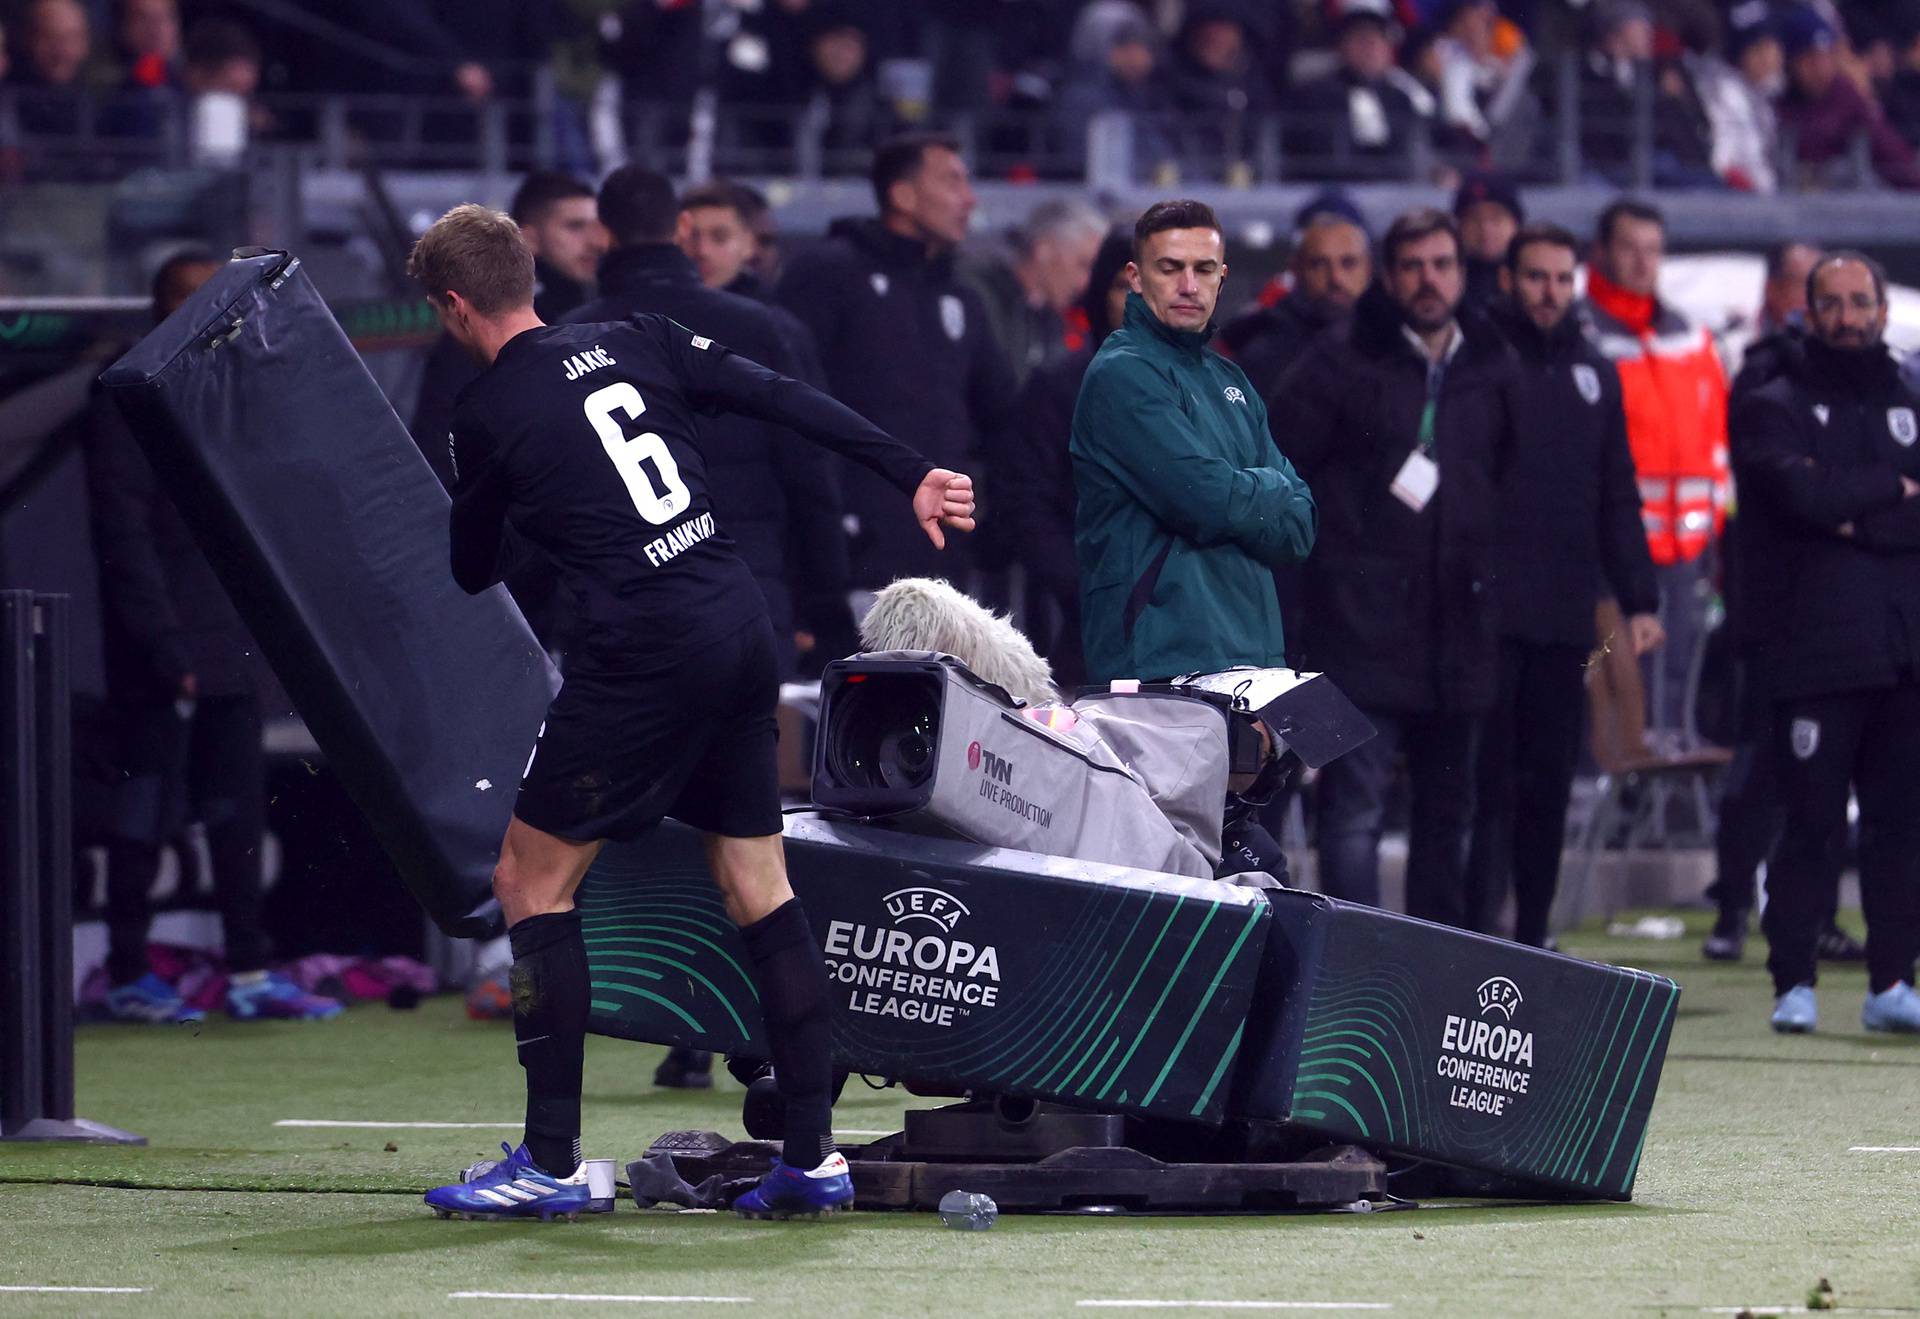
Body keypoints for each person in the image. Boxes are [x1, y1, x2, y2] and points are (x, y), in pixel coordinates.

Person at [406, 203, 975, 1219]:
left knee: (529, 882)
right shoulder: (638, 338)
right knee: (756, 880)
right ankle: (812, 1158)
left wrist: (504, 492)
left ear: (453, 305)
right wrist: (909, 472)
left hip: (645, 648)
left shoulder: (486, 410)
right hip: (735, 615)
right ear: (530, 271)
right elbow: (781, 395)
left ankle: (547, 1160)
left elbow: (470, 567)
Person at [84, 249, 344, 1025]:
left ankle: (250, 972)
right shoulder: (123, 402)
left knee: (239, 816)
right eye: (202, 303)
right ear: (168, 308)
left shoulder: (222, 395)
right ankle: (126, 969)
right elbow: (123, 539)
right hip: (159, 659)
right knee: (146, 817)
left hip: (227, 645)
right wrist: (165, 647)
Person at [1278, 207, 1516, 927]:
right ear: (1388, 274)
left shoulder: (1492, 361)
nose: (1428, 280)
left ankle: (1433, 974)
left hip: (1462, 631)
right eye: (1412, 266)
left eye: (1442, 264)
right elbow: (1279, 468)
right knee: (1353, 810)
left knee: (1450, 816)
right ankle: (1352, 966)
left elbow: (1515, 481)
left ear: (1462, 270)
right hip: (1357, 628)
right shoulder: (1340, 358)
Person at [1731, 251, 1920, 1035]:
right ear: (1807, 313)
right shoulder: (1771, 398)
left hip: (1904, 650)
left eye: (1859, 302)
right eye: (1831, 303)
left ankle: (1891, 983)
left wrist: (1845, 509)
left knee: (1900, 822)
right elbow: (1796, 496)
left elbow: (1823, 498)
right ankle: (1793, 980)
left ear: (1882, 309)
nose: (1847, 316)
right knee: (1809, 821)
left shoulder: (1914, 393)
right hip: (1811, 650)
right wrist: (1892, 490)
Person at [1465, 223, 1661, 947]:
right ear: (1509, 280)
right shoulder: (1479, 359)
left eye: (1561, 278)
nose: (1549, 292)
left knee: (1547, 786)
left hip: (1564, 614)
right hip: (1487, 614)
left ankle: (1535, 933)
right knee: (1488, 789)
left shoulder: (1594, 370)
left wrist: (1639, 598)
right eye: (1536, 277)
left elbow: (1618, 490)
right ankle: (1473, 932)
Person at [1070, 198, 1316, 685]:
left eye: (1203, 270)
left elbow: (1301, 525)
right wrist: (1269, 486)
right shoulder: (1122, 374)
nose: (1188, 285)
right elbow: (1203, 500)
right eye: (1170, 268)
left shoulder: (1233, 382)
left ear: (1221, 279)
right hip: (1160, 664)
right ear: (1136, 278)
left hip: (1251, 660)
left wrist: (1239, 490)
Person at [1706, 240, 1863, 964]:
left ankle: (1816, 915)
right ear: (1780, 294)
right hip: (1772, 607)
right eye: (1812, 292)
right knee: (1762, 764)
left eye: (1838, 297)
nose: (1825, 310)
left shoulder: (1869, 380)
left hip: (1839, 607)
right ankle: (1733, 903)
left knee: (1830, 771)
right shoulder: (1764, 375)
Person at [775, 132, 1014, 591]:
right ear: (902, 195)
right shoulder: (827, 275)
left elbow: (1000, 418)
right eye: (952, 182)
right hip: (847, 554)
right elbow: (787, 401)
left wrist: (995, 521)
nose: (968, 199)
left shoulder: (961, 296)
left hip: (943, 554)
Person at [1580, 198, 1729, 737]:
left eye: (1653, 250)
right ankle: (1602, 816)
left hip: (1687, 554)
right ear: (1599, 252)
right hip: (1609, 556)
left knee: (1675, 696)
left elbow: (1717, 441)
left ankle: (1672, 815)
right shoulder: (1580, 337)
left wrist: (1713, 533)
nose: (1643, 262)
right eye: (1628, 248)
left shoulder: (1691, 337)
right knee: (1610, 701)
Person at [1001, 228, 1135, 689]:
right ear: (1100, 293)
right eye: (1123, 285)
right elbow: (1025, 504)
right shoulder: (1058, 389)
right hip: (1088, 634)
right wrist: (1089, 592)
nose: (1138, 300)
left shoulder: (1217, 391)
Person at [1219, 202, 1372, 403]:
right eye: (1318, 264)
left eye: (1348, 263)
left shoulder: (1400, 343)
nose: (1336, 278)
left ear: (1369, 267)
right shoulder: (1261, 351)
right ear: (1296, 270)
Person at [959, 197, 1107, 393]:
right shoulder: (979, 298)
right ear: (1043, 251)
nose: (1085, 282)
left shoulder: (1052, 324)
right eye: (1082, 264)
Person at [1453, 171, 1522, 313]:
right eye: (1473, 218)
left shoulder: (1539, 277)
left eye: (1496, 217)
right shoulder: (1445, 283)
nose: (1485, 229)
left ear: (1515, 224)